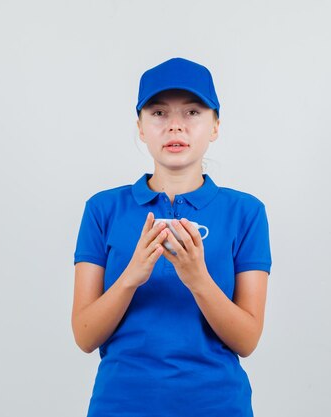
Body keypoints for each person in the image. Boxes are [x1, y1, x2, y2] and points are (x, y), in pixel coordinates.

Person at [72, 57, 272, 417]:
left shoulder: (246, 213)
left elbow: (247, 339)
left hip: (218, 406)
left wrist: (198, 279)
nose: (175, 127)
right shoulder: (102, 209)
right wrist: (130, 278)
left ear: (215, 126)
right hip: (120, 405)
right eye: (159, 113)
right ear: (141, 127)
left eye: (192, 112)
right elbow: (85, 336)